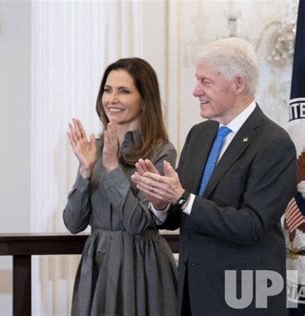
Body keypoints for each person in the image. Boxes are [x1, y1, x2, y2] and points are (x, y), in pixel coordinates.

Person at [131, 37, 297, 315]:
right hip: (193, 295)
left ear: (238, 83)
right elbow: (180, 214)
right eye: (197, 80)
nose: (196, 91)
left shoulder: (274, 143)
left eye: (206, 82)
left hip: (244, 298)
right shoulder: (200, 134)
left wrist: (182, 198)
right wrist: (160, 203)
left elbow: (252, 225)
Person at [64, 57, 178, 316]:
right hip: (99, 264)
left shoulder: (162, 151)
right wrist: (85, 171)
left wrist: (113, 168)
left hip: (142, 266)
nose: (112, 99)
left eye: (123, 91)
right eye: (107, 90)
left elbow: (138, 222)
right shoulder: (96, 147)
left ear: (144, 100)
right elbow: (73, 223)